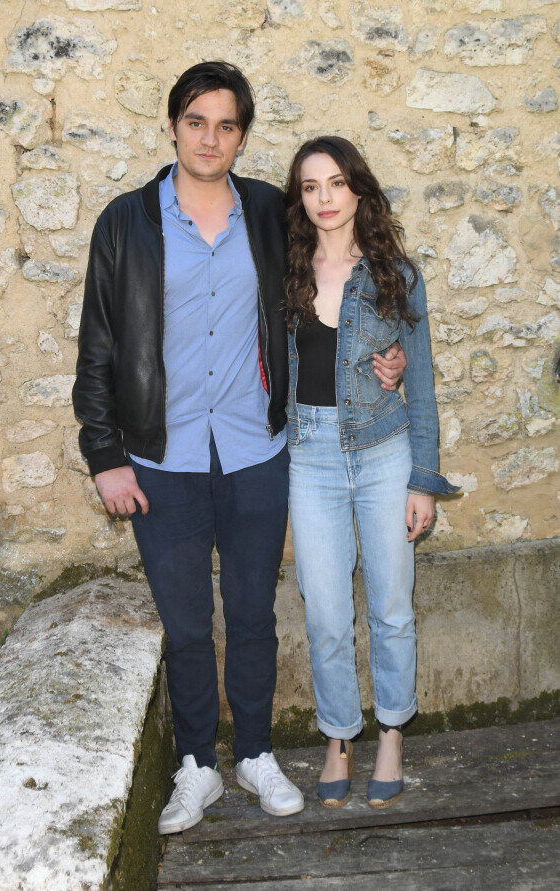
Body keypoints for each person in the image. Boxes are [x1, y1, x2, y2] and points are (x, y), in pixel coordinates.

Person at [73, 62, 405, 834]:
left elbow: (339, 276)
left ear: (242, 136)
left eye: (226, 125)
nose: (210, 138)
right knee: (187, 623)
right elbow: (99, 349)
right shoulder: (125, 224)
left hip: (258, 451)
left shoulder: (266, 210)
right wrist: (104, 453)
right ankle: (198, 766)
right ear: (172, 127)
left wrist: (387, 355)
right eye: (196, 122)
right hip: (162, 458)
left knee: (252, 612)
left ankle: (254, 753)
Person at [284, 136, 459, 810]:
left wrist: (423, 478)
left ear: (358, 189)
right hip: (312, 456)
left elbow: (422, 388)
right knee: (326, 610)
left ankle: (391, 731)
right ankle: (337, 737)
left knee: (389, 606)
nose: (325, 198)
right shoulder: (287, 272)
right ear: (299, 198)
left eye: (335, 183)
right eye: (310, 186)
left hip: (384, 453)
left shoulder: (395, 275)